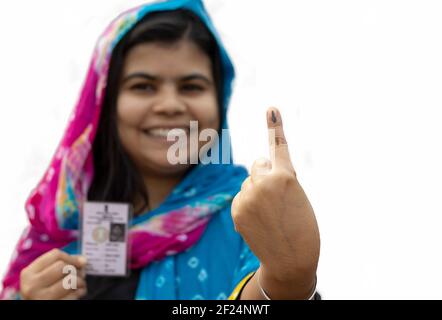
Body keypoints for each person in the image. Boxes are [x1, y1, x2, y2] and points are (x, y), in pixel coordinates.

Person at [0, 0, 320, 300]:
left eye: (191, 87)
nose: (169, 105)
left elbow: (263, 291)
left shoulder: (252, 211)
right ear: (106, 104)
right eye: (143, 86)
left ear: (219, 102)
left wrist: (287, 278)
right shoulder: (62, 223)